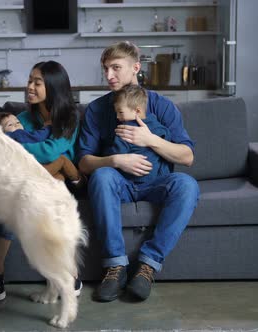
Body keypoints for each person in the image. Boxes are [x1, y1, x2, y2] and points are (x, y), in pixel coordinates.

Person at [77, 41, 200, 302]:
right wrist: (115, 160)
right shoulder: (96, 110)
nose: (109, 76)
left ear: (135, 68)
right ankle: (115, 266)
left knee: (187, 185)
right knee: (101, 176)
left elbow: (187, 157)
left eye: (115, 68)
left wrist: (150, 139)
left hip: (157, 183)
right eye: (105, 69)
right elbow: (84, 163)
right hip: (118, 182)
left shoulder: (162, 105)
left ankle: (147, 266)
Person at [0, 60, 83, 302]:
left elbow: (53, 151)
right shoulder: (23, 117)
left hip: (62, 179)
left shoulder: (69, 118)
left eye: (37, 83)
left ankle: (70, 273)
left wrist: (16, 144)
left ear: (53, 87)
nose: (29, 87)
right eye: (30, 81)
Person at [0, 112, 82, 185]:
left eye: (18, 122)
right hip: (31, 171)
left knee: (58, 177)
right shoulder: (16, 134)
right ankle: (79, 180)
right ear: (1, 132)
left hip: (26, 172)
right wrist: (48, 127)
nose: (16, 125)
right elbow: (37, 137)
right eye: (10, 125)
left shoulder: (8, 139)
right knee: (61, 159)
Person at [109, 84, 171, 185]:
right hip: (156, 180)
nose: (117, 116)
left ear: (137, 111)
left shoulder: (125, 130)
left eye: (120, 112)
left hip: (132, 180)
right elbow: (167, 135)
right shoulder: (155, 123)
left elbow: (117, 152)